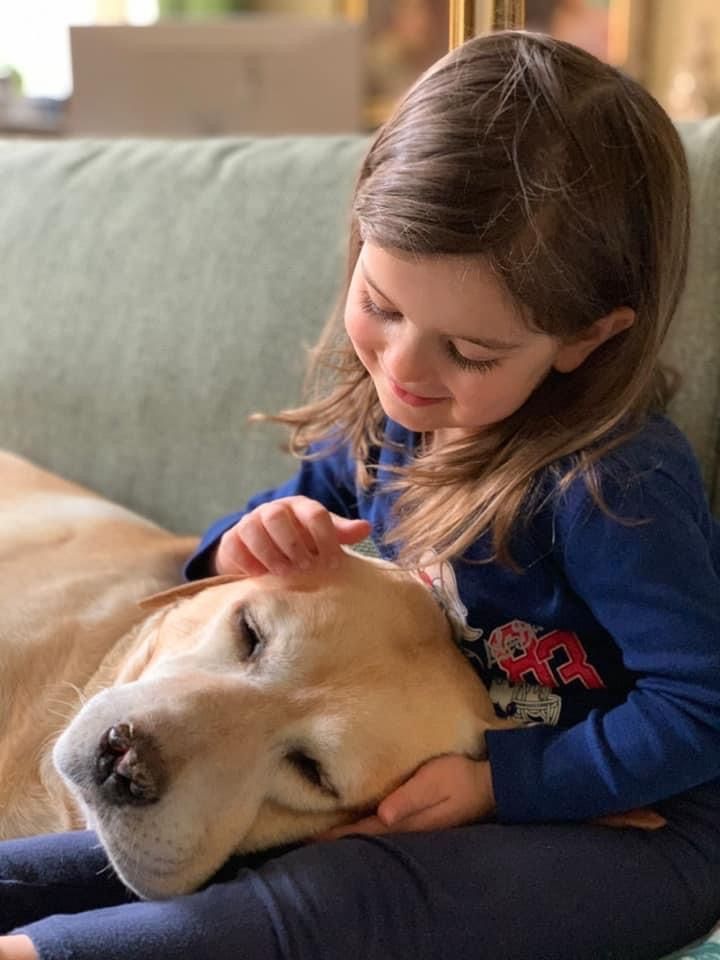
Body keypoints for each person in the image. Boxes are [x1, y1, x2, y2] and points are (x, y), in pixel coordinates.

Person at [2, 29, 720, 960]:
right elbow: (279, 514)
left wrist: (505, 785)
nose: (404, 369)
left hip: (650, 827)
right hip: (474, 780)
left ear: (586, 338)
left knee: (347, 895)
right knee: (131, 845)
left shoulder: (614, 486)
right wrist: (250, 542)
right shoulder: (396, 424)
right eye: (382, 305)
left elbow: (700, 709)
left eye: (470, 351)